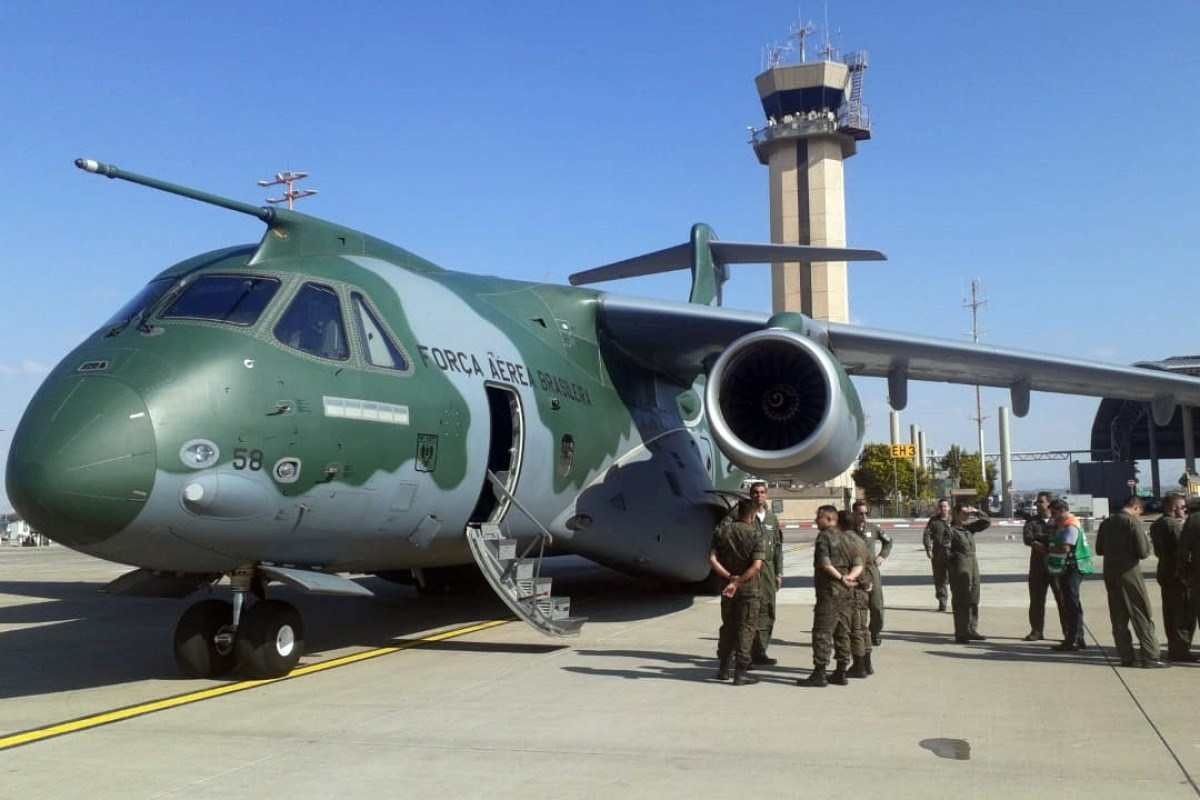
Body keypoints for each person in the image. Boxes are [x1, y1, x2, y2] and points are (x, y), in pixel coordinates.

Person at [797, 505, 864, 688]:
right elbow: (859, 564)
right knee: (842, 632)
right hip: (846, 593)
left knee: (822, 632)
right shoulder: (847, 537)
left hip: (829, 592)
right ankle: (841, 671)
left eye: (818, 517)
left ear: (829, 519)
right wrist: (850, 577)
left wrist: (841, 577)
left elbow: (825, 564)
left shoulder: (824, 537)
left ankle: (819, 673)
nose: (815, 520)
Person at [1095, 496, 1165, 668]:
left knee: (1118, 617)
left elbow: (1099, 549)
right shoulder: (1132, 523)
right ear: (1136, 508)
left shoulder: (1107, 523)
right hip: (1129, 573)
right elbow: (1143, 552)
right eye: (1140, 512)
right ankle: (1150, 656)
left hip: (1110, 573)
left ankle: (1126, 656)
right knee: (1141, 613)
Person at [709, 497, 766, 685]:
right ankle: (740, 673)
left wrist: (730, 578)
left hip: (728, 588)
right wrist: (739, 580)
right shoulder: (756, 535)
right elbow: (757, 566)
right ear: (752, 514)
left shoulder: (722, 532)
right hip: (749, 589)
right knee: (746, 629)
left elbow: (712, 559)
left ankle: (723, 669)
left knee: (728, 628)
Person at [1149, 494, 1195, 661]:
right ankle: (1181, 649)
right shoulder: (1173, 525)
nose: (1184, 511)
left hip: (1165, 571)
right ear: (1174, 507)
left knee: (1170, 611)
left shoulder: (1157, 524)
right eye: (1182, 507)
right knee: (1183, 613)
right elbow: (1182, 549)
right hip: (1178, 574)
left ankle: (1174, 646)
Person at [1022, 491, 1070, 643]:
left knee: (1062, 600)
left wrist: (1041, 540)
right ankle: (1036, 631)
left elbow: (1060, 538)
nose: (1037, 504)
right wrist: (1039, 542)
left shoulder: (1058, 521)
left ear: (1049, 504)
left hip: (1056, 567)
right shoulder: (1032, 521)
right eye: (1037, 502)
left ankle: (1068, 632)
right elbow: (1027, 538)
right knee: (1036, 601)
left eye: (1040, 502)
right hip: (1037, 567)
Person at [748, 481, 783, 667]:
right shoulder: (744, 516)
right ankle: (745, 653)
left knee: (768, 610)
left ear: (766, 495)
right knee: (750, 611)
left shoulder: (771, 518)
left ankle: (761, 650)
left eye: (762, 492)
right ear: (750, 494)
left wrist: (779, 573)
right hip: (749, 569)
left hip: (768, 569)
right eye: (755, 492)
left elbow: (778, 547)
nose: (758, 495)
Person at [946, 502, 990, 643]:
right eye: (964, 513)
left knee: (973, 599)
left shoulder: (968, 529)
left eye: (968, 514)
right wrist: (952, 569)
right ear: (956, 514)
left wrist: (976, 511)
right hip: (960, 569)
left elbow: (986, 522)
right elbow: (944, 552)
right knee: (961, 602)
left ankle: (971, 629)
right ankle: (961, 632)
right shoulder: (951, 531)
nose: (966, 516)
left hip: (973, 567)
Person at [850, 500, 892, 646]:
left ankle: (874, 632)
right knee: (856, 606)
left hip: (871, 570)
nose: (864, 517)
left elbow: (888, 541)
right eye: (860, 513)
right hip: (854, 571)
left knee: (877, 606)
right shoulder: (848, 531)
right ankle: (859, 635)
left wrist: (882, 556)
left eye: (866, 513)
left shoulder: (873, 528)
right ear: (854, 514)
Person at [1047, 498, 1086, 652]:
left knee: (1071, 604)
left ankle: (1074, 640)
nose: (1052, 516)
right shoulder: (1065, 524)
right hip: (1070, 567)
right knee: (1072, 602)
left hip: (1072, 568)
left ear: (1061, 510)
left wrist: (1047, 550)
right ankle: (1078, 638)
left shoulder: (1070, 525)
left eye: (1054, 512)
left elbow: (1065, 548)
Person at [840, 509, 874, 678]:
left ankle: (859, 666)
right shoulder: (860, 540)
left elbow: (857, 566)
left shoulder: (846, 540)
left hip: (855, 589)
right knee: (863, 628)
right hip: (863, 588)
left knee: (856, 629)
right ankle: (867, 663)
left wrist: (863, 582)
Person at [923, 499, 953, 611]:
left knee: (955, 578)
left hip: (953, 553)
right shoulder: (934, 521)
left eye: (945, 506)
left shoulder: (954, 520)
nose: (943, 508)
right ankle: (942, 602)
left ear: (949, 508)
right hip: (938, 553)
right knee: (940, 579)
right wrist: (928, 549)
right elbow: (927, 534)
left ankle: (958, 603)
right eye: (941, 506)